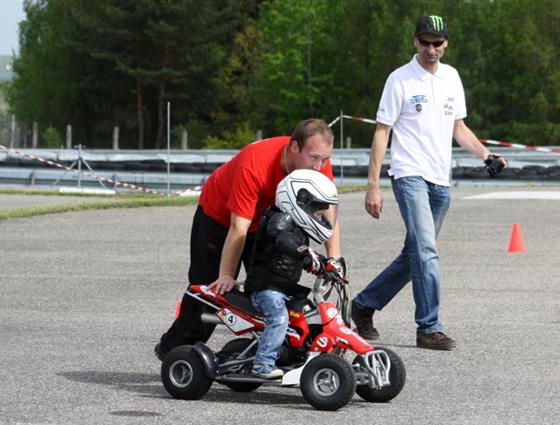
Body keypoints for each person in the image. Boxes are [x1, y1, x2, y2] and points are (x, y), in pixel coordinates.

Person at [351, 15, 506, 350]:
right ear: (415, 42)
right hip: (409, 175)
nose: (431, 49)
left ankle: (364, 305)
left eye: (437, 43)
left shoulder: (452, 78)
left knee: (415, 255)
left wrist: (485, 156)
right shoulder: (399, 80)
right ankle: (428, 327)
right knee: (426, 251)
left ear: (446, 43)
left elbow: (459, 128)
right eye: (425, 42)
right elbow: (382, 132)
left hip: (440, 180)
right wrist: (373, 185)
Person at [155, 119, 346, 360]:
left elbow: (327, 215)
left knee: (278, 284)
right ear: (294, 147)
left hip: (269, 221)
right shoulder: (255, 163)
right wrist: (226, 274)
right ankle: (175, 352)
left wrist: (334, 259)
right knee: (212, 292)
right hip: (221, 218)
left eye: (325, 159)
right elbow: (238, 228)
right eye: (315, 157)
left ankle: (276, 350)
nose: (320, 166)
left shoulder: (317, 166)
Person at [245, 169, 342, 378]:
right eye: (315, 211)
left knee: (308, 318)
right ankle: (263, 364)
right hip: (266, 289)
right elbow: (282, 239)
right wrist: (306, 254)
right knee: (279, 318)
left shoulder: (299, 229)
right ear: (299, 200)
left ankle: (304, 357)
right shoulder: (280, 219)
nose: (319, 216)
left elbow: (305, 253)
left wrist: (328, 265)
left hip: (285, 289)